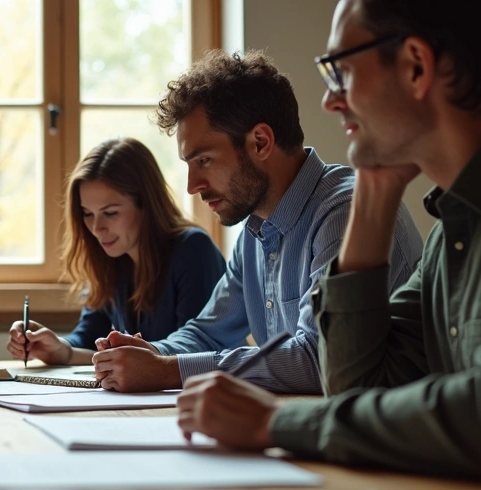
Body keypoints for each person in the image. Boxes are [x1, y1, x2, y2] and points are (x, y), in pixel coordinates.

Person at [176, 0, 481, 482]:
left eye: (341, 70)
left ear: (415, 67)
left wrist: (274, 422)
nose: (330, 100)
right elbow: (352, 387)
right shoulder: (455, 224)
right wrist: (374, 190)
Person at [91, 50, 423, 394]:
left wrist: (166, 371)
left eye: (204, 159)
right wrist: (150, 353)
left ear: (261, 142)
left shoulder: (347, 212)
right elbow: (208, 332)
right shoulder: (256, 229)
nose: (192, 186)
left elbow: (318, 359)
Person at [5, 137, 225, 365]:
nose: (96, 228)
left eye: (110, 213)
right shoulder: (112, 255)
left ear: (146, 205)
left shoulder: (193, 250)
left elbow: (195, 350)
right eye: (87, 213)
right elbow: (89, 336)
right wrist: (57, 347)